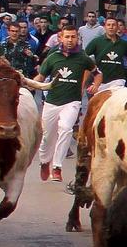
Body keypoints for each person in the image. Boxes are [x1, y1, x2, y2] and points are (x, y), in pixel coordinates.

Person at [34, 26, 98, 183]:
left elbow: (97, 73)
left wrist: (95, 84)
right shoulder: (52, 58)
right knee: (47, 137)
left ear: (77, 38)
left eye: (73, 37)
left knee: (66, 129)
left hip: (72, 102)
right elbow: (40, 78)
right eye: (67, 37)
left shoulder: (83, 58)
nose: (70, 40)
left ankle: (57, 167)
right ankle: (44, 161)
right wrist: (25, 83)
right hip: (52, 102)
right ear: (60, 38)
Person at [85, 17, 127, 93]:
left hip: (118, 81)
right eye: (108, 25)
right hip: (100, 81)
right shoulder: (97, 41)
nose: (111, 27)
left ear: (117, 27)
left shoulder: (124, 44)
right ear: (104, 27)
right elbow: (84, 56)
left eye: (113, 25)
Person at [2, 22, 42, 108]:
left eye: (16, 31)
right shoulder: (2, 45)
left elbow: (34, 61)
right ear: (8, 31)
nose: (14, 33)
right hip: (7, 80)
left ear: (19, 32)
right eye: (12, 31)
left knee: (25, 105)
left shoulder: (26, 45)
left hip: (23, 79)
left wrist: (32, 56)